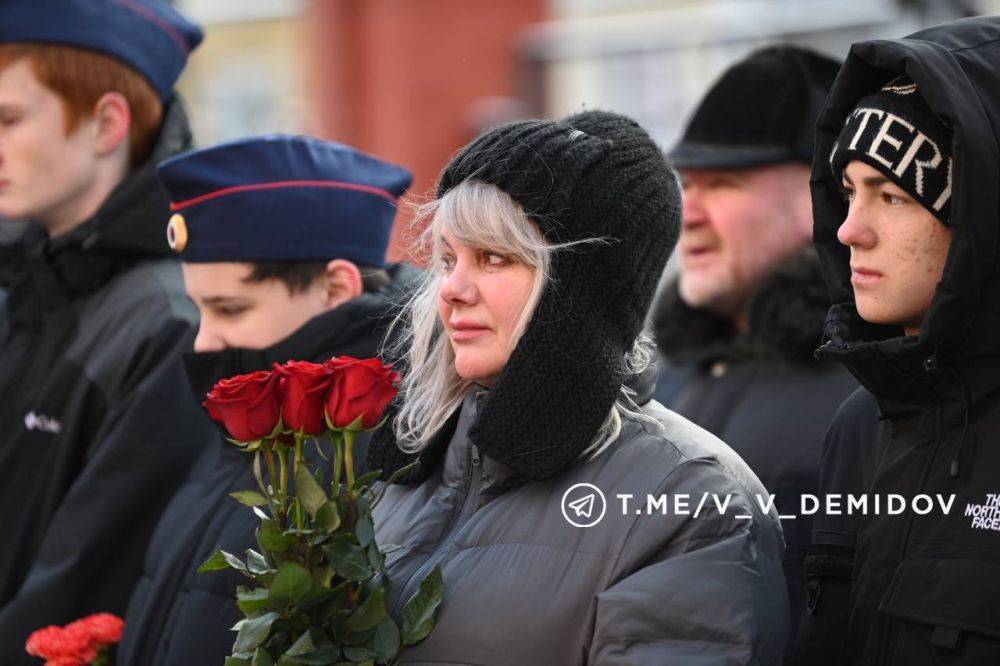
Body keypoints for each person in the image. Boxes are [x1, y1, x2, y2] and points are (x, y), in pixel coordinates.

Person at [366, 110, 790, 664]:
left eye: (494, 257)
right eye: (448, 259)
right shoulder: (414, 462)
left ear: (581, 286)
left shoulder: (689, 500)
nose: (451, 289)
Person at [117, 134, 418, 664]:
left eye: (230, 309)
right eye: (199, 309)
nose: (203, 340)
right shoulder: (241, 410)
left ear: (335, 290)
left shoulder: (388, 445)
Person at [0, 1, 209, 659]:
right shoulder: (26, 287)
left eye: (7, 119)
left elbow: (79, 598)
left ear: (107, 123)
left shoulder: (168, 325)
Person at [792, 15, 1000, 665]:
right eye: (850, 192)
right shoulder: (862, 421)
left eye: (891, 196)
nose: (850, 229)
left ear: (976, 217)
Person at [650, 45, 857, 635]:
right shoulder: (663, 379)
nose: (687, 213)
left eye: (723, 183)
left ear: (822, 193)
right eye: (686, 183)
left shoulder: (874, 389)